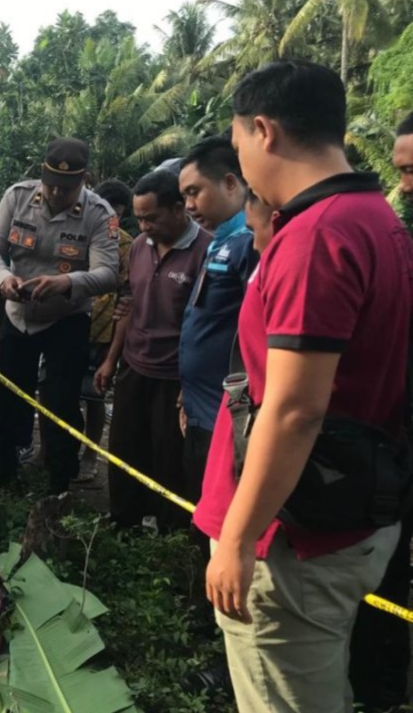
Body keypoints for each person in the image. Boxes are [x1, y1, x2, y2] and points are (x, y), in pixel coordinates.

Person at [194, 60, 412, 713]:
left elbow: (293, 410)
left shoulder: (317, 237)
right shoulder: (376, 218)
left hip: (290, 537)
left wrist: (239, 538)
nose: (242, 166)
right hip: (345, 508)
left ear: (264, 131)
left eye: (238, 144)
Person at [0, 138, 120, 493]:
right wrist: (3, 279)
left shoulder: (99, 213)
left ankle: (59, 479)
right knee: (9, 392)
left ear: (83, 179)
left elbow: (108, 273)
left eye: (66, 187)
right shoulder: (17, 196)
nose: (57, 193)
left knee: (61, 399)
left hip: (67, 317)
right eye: (51, 184)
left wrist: (66, 282)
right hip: (17, 311)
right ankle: (5, 466)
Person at [96, 171, 211, 531]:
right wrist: (111, 360)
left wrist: (192, 384)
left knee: (170, 458)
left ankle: (170, 535)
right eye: (139, 218)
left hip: (176, 375)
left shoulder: (206, 251)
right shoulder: (139, 248)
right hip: (134, 364)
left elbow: (208, 326)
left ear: (179, 209)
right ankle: (123, 523)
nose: (144, 226)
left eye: (151, 218)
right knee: (125, 447)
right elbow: (128, 305)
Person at [348, 109, 413, 711]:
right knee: (386, 564)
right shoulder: (395, 236)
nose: (405, 187)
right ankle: (379, 688)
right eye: (401, 171)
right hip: (396, 430)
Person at [177, 138, 259, 504]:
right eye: (184, 196)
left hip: (227, 413)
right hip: (200, 406)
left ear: (229, 183)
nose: (189, 206)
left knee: (220, 510)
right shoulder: (219, 241)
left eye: (194, 192)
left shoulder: (251, 244)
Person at [75, 180, 134, 483]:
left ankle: (90, 455)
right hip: (68, 321)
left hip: (103, 330)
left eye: (117, 215)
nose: (111, 220)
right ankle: (52, 449)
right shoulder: (76, 232)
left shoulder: (126, 245)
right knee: (55, 389)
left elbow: (127, 293)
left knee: (94, 395)